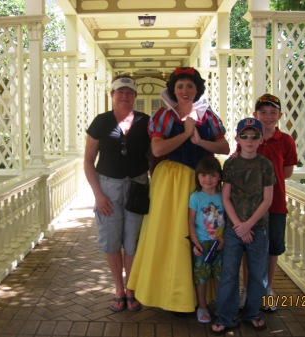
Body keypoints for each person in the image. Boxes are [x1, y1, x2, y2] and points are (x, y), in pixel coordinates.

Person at [127, 67, 230, 314]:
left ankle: (197, 297)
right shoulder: (164, 115)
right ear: (173, 89)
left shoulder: (208, 115)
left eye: (190, 86)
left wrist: (199, 141)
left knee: (198, 232)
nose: (185, 91)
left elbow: (224, 147)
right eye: (180, 86)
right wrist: (185, 134)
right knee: (168, 234)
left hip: (199, 181)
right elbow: (159, 149)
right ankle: (167, 292)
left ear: (197, 90)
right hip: (170, 182)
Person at [84, 75, 150, 312]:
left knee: (133, 239)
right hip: (108, 187)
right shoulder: (101, 122)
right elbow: (88, 161)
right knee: (111, 240)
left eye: (129, 92)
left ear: (135, 96)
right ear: (111, 95)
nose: (124, 96)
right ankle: (119, 289)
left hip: (137, 185)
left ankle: (131, 289)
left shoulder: (145, 121)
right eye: (120, 92)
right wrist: (98, 195)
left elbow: (153, 157)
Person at [211, 117, 275, 334]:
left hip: (259, 227)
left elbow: (267, 200)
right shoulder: (230, 164)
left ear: (261, 139)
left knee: (257, 273)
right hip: (234, 229)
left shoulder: (266, 165)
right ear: (237, 138)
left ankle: (253, 313)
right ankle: (225, 316)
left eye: (254, 136)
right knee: (229, 273)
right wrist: (239, 225)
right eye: (245, 135)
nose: (250, 140)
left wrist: (248, 225)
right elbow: (226, 197)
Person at [238, 94, 298, 311]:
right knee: (248, 248)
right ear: (255, 115)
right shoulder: (249, 136)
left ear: (280, 115)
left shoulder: (286, 141)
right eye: (263, 112)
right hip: (249, 207)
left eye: (273, 112)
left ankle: (267, 288)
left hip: (276, 205)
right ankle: (246, 289)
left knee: (273, 249)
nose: (268, 116)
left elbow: (287, 171)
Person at [188, 156, 225, 323]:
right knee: (201, 277)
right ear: (198, 177)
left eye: (212, 175)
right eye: (203, 175)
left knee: (220, 276)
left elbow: (229, 219)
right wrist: (195, 243)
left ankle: (220, 305)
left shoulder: (224, 196)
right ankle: (202, 307)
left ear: (219, 177)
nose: (208, 179)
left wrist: (224, 239)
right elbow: (190, 222)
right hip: (202, 244)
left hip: (221, 244)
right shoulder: (195, 197)